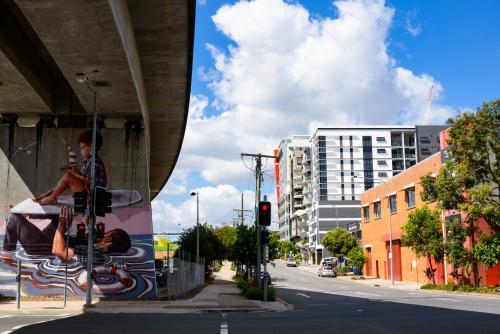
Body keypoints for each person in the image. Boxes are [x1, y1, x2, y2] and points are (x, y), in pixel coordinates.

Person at [3, 206, 131, 261]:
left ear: (108, 240)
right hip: (52, 238)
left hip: (43, 248)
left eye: (106, 234)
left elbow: (59, 251)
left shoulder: (92, 253)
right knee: (56, 211)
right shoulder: (94, 246)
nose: (101, 234)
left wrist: (62, 224)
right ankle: (27, 215)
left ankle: (8, 253)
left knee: (13, 218)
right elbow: (91, 235)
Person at [33, 130, 108, 205]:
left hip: (93, 196)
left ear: (91, 146)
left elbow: (89, 181)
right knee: (69, 176)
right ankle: (49, 195)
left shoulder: (94, 161)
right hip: (90, 192)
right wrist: (76, 173)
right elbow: (84, 180)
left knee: (68, 176)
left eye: (83, 148)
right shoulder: (89, 160)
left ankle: (51, 197)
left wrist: (76, 175)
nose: (80, 151)